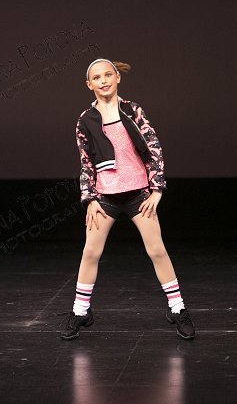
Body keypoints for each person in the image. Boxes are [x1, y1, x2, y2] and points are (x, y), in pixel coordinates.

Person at [62, 58, 195, 341]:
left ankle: (178, 308)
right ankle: (80, 311)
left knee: (157, 250)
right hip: (105, 197)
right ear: (89, 84)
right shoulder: (85, 120)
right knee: (90, 253)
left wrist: (156, 190)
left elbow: (154, 148)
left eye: (108, 75)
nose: (103, 81)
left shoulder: (133, 110)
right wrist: (90, 199)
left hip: (138, 194)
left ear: (117, 78)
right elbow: (86, 163)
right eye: (97, 78)